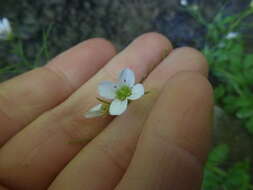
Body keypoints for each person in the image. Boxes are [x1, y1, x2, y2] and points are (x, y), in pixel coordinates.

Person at [0, 32, 213, 190]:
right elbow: (115, 95)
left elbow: (129, 91)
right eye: (120, 92)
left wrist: (122, 98)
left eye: (123, 92)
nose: (121, 92)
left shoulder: (131, 91)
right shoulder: (119, 98)